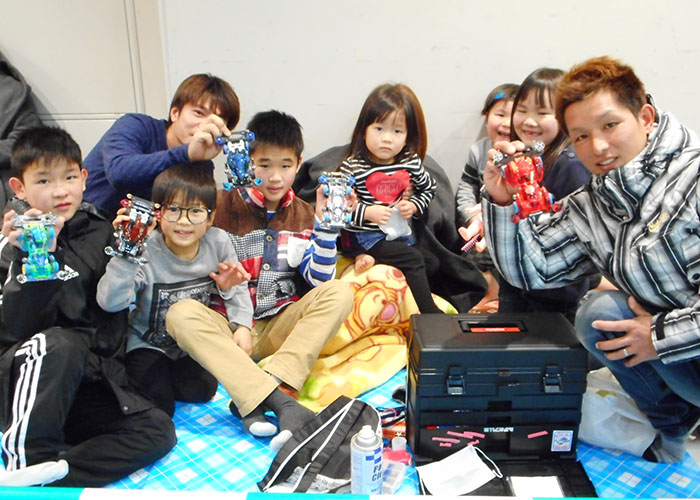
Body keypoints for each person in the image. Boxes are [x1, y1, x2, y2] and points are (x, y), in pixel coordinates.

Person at [476, 56, 700, 463]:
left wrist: (658, 335)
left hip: (679, 341)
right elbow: (534, 270)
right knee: (598, 315)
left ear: (645, 117)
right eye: (580, 136)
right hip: (680, 356)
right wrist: (502, 201)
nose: (597, 147)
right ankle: (673, 424)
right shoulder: (595, 202)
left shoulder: (694, 177)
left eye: (610, 125)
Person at [0, 126, 175, 487]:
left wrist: (127, 254)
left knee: (157, 429)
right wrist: (34, 259)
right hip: (27, 380)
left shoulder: (102, 229)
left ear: (83, 178)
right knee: (63, 342)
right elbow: (16, 330)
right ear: (19, 188)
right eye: (44, 180)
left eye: (68, 177)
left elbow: (112, 314)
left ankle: (51, 478)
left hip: (87, 377)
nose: (60, 191)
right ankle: (27, 458)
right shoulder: (12, 242)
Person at [213, 110, 353, 450]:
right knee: (186, 314)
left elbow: (319, 282)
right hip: (228, 326)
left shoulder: (305, 214)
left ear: (299, 163)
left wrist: (326, 230)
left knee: (340, 291)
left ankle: (272, 380)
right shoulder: (221, 205)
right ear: (247, 161)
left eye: (286, 165)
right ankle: (264, 389)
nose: (275, 177)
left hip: (278, 326)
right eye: (264, 165)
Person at [97, 163, 254, 419]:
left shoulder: (218, 242)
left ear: (211, 217)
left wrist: (243, 326)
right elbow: (109, 302)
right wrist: (127, 252)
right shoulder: (145, 247)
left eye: (195, 211)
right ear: (158, 213)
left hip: (188, 345)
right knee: (160, 406)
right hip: (147, 343)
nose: (183, 221)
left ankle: (163, 378)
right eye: (173, 209)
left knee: (203, 390)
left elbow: (236, 286)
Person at [473, 68, 593, 323]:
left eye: (542, 112)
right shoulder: (522, 157)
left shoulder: (571, 165)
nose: (529, 121)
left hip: (557, 298)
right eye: (522, 110)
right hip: (514, 288)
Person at [338, 83, 441, 314]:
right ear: (364, 130)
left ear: (408, 136)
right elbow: (336, 209)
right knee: (413, 260)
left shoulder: (410, 162)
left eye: (397, 131)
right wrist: (367, 212)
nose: (387, 139)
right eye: (379, 128)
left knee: (432, 262)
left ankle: (377, 265)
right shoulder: (352, 166)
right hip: (362, 235)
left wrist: (414, 205)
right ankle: (429, 313)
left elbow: (429, 189)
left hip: (397, 234)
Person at [83, 73, 239, 215]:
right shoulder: (135, 125)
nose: (204, 126)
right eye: (199, 113)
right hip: (86, 222)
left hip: (143, 234)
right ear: (175, 113)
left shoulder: (202, 164)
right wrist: (186, 153)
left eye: (217, 120)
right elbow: (119, 173)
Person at [455, 83, 519, 309]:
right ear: (486, 117)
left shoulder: (522, 156)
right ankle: (484, 292)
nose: (506, 123)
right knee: (468, 252)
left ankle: (496, 294)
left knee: (503, 255)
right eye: (499, 114)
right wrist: (470, 216)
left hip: (510, 226)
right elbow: (466, 186)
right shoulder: (478, 151)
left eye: (513, 117)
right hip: (479, 226)